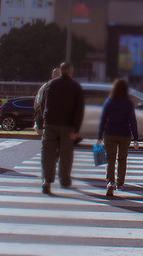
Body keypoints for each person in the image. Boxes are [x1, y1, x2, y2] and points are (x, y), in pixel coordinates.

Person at [40, 62, 84, 195]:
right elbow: (79, 110)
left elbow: (43, 104)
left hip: (50, 123)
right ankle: (64, 179)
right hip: (67, 125)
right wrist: (76, 129)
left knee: (48, 153)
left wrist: (44, 119)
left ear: (61, 71)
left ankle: (47, 180)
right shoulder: (75, 87)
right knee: (66, 154)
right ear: (71, 72)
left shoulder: (51, 84)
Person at [97, 78, 139, 197]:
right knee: (122, 159)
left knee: (110, 159)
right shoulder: (128, 102)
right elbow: (133, 121)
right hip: (124, 134)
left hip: (110, 133)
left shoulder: (109, 101)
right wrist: (136, 138)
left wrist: (99, 136)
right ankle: (120, 183)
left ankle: (110, 182)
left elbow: (103, 119)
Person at [34, 67, 61, 134]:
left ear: (52, 76)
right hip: (61, 125)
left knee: (47, 142)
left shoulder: (44, 87)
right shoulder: (66, 87)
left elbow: (37, 103)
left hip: (46, 123)